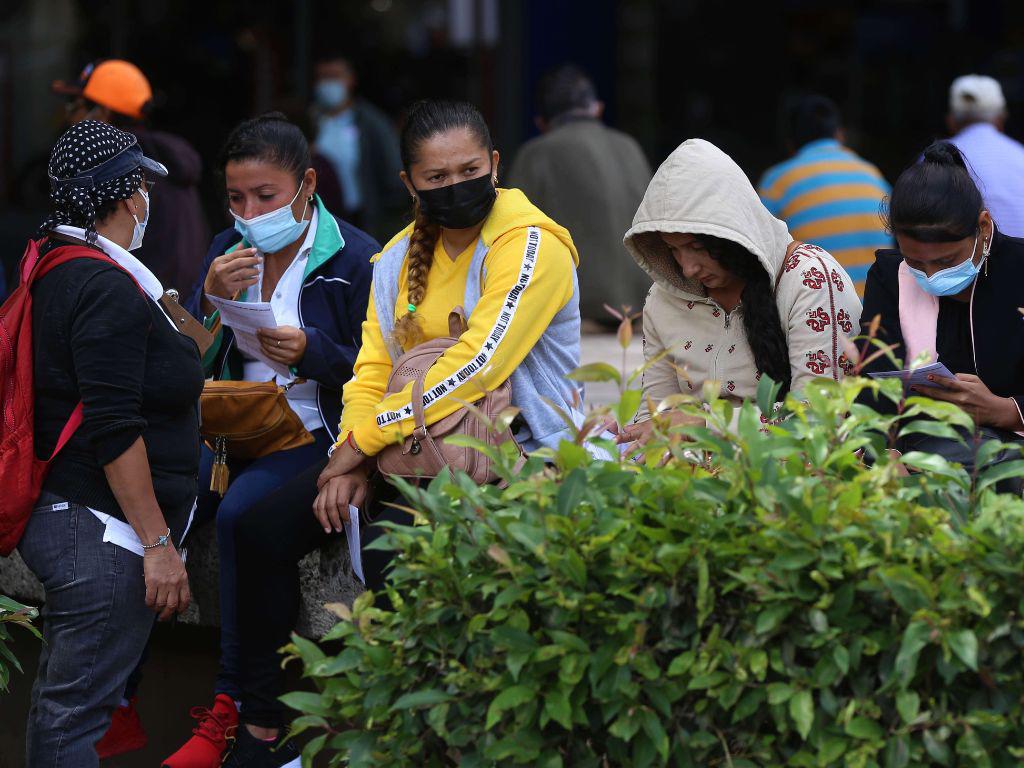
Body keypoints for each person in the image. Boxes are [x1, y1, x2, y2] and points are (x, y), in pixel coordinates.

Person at [206, 99, 584, 766]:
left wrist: (360, 444)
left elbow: (476, 364)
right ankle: (262, 724)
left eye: (469, 169)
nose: (454, 186)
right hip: (411, 458)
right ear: (409, 185)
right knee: (261, 525)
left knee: (404, 567)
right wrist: (350, 461)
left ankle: (420, 743)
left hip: (517, 461)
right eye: (434, 178)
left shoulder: (531, 243)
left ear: (495, 165)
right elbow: (373, 366)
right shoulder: (396, 257)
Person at [156, 113, 377, 768]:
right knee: (153, 493)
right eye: (236, 198)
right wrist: (209, 303)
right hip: (236, 430)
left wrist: (317, 352)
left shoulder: (356, 258)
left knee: (245, 515)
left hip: (321, 436)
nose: (249, 213)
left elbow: (380, 369)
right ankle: (124, 698)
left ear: (306, 185)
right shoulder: (228, 251)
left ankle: (245, 716)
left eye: (266, 196)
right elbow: (191, 363)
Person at [19, 120, 201, 767]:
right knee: (72, 723)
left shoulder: (54, 265)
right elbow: (114, 426)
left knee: (63, 713)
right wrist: (157, 546)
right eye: (145, 187)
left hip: (73, 519)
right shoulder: (103, 287)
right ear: (130, 198)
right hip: (101, 536)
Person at [620, 138, 862, 442]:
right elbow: (656, 417)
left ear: (735, 234)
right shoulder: (663, 301)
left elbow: (820, 419)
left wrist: (706, 425)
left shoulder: (810, 280)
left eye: (697, 247)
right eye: (674, 250)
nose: (688, 268)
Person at [859, 142, 1024, 480]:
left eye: (946, 261)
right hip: (917, 459)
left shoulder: (1019, 268)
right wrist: (886, 456)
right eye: (916, 261)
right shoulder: (891, 277)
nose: (931, 275)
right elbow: (874, 380)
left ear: (983, 227)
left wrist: (1006, 410)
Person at [508, 64, 652, 326]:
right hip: (646, 312)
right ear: (597, 108)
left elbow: (510, 240)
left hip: (584, 317)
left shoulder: (536, 154)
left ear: (540, 122)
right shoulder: (629, 146)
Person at [53, 59, 210, 293]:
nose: (69, 118)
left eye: (74, 107)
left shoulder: (119, 175)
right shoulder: (166, 160)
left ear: (101, 114)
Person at [758, 94, 892, 293]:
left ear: (790, 144)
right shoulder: (874, 175)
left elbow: (758, 257)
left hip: (822, 316)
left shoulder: (777, 182)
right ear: (839, 135)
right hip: (878, 314)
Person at [312, 54, 408, 242]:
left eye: (335, 76)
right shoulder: (312, 121)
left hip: (362, 220)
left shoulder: (372, 123)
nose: (328, 84)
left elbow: (393, 173)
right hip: (319, 221)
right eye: (323, 77)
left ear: (351, 79)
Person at [946, 74, 1024, 238]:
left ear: (951, 121)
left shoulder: (937, 157)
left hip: (977, 261)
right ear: (1001, 119)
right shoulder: (1020, 155)